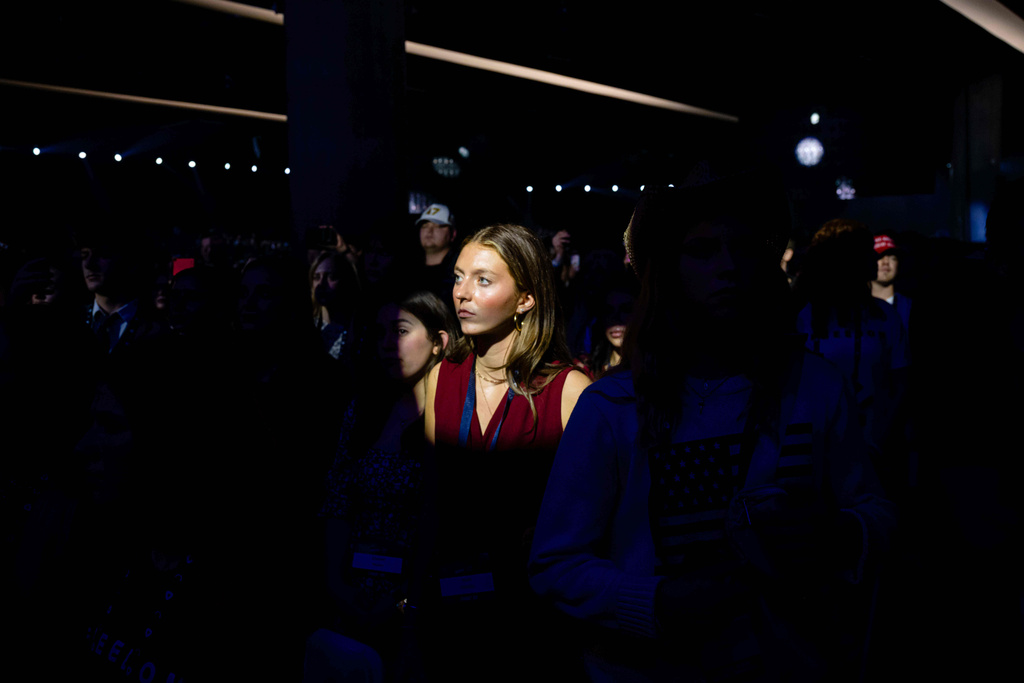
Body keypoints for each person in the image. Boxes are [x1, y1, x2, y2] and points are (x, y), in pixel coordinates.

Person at [529, 167, 896, 683]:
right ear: (668, 271)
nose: (728, 266)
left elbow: (877, 511)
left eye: (742, 247)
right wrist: (656, 600)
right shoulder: (611, 407)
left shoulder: (815, 385)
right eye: (702, 250)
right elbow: (555, 562)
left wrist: (839, 532)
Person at [422, 223, 591, 680]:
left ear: (525, 299)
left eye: (483, 280)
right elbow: (431, 499)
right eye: (458, 277)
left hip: (533, 612)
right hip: (452, 604)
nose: (462, 293)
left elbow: (593, 517)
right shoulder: (443, 377)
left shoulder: (569, 390)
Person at [313, 291, 457, 682]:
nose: (387, 344)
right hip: (353, 595)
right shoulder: (364, 409)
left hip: (422, 604)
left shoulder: (456, 417)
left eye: (400, 331)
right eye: (379, 333)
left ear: (439, 342)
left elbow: (448, 523)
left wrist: (405, 601)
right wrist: (337, 585)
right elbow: (337, 501)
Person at [414, 203, 459, 309]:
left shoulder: (459, 272)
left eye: (439, 226)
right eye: (425, 226)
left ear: (452, 234)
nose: (429, 231)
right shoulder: (407, 269)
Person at [870, 234, 912, 337]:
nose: (886, 262)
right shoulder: (854, 308)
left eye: (892, 257)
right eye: (879, 256)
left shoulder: (910, 307)